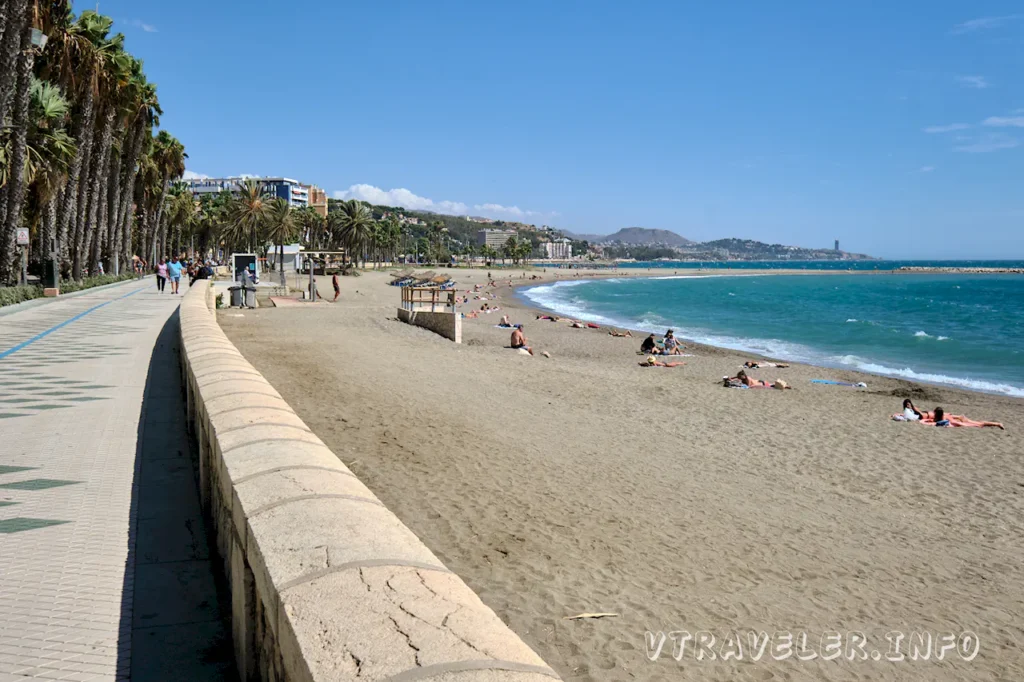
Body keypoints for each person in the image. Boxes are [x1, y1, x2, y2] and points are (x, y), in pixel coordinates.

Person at [927, 406, 1004, 429]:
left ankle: (998, 424)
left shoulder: (944, 417)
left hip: (963, 420)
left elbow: (955, 422)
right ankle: (997, 424)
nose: (933, 413)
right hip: (960, 418)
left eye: (935, 412)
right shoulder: (939, 417)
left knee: (981, 423)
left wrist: (974, 426)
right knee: (980, 422)